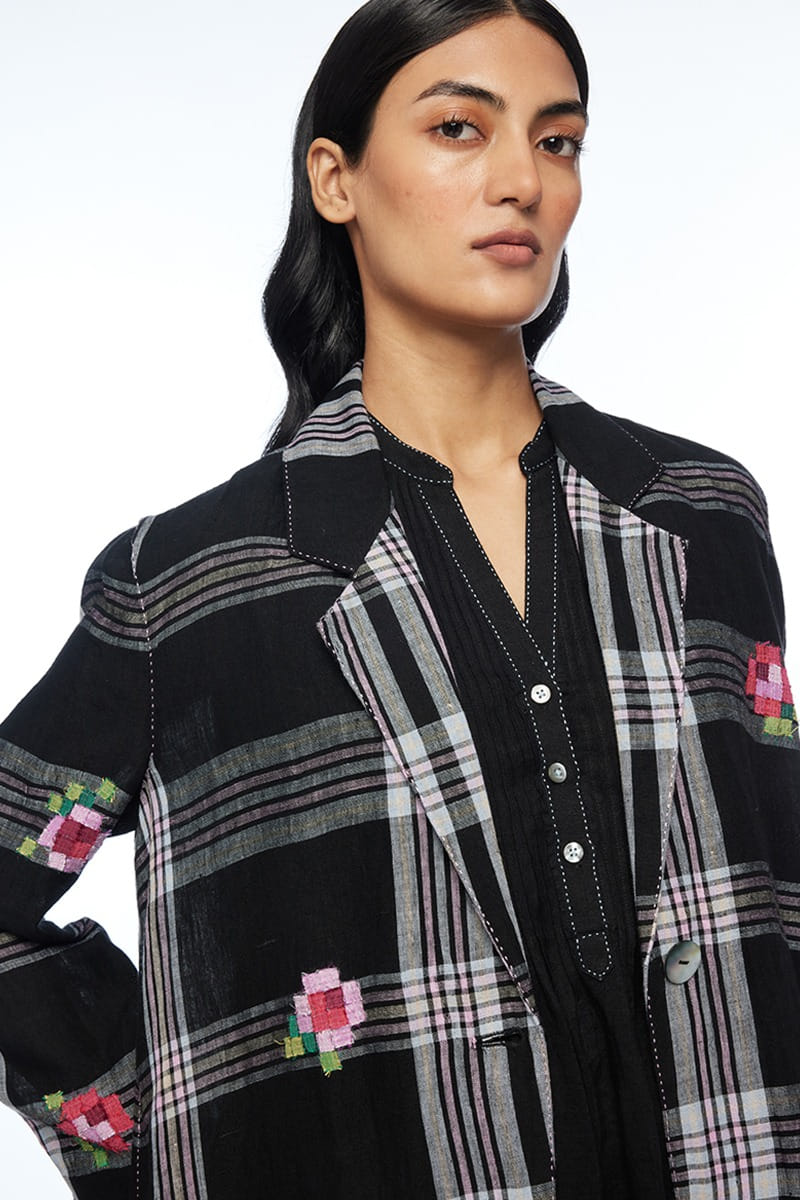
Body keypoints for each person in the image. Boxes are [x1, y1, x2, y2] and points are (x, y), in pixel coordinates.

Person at [1, 0, 798, 1196]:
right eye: (457, 129)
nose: (521, 181)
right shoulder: (191, 582)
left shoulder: (699, 512)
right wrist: (171, 1127)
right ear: (336, 179)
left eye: (556, 140)